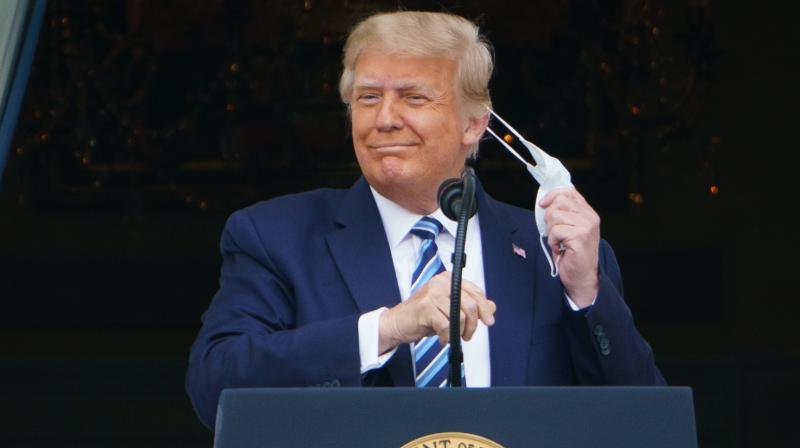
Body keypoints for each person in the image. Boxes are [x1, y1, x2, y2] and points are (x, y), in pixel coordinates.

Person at [185, 11, 665, 429]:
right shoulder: (275, 236)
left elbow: (646, 422)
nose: (385, 118)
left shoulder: (553, 250)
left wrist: (587, 294)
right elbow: (217, 386)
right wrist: (389, 327)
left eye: (414, 98)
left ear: (474, 124)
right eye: (369, 98)